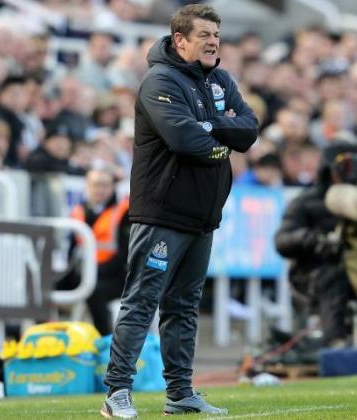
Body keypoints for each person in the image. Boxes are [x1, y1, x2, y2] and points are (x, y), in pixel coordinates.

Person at [101, 4, 258, 418]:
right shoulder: (159, 81)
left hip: (202, 217)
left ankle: (180, 393)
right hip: (162, 213)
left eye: (216, 35)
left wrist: (211, 127)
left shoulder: (221, 80)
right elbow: (185, 140)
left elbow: (249, 130)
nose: (213, 42)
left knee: (184, 308)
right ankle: (116, 392)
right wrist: (220, 136)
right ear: (180, 40)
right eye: (204, 35)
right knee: (142, 301)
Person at [274, 142, 354, 348]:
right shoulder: (306, 201)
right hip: (313, 272)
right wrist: (313, 240)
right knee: (334, 275)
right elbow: (282, 241)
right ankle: (334, 344)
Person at [66, 168, 130, 336]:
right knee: (45, 286)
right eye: (95, 185)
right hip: (82, 274)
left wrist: (90, 273)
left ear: (113, 187)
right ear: (87, 186)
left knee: (95, 291)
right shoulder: (78, 211)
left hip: (115, 277)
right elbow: (71, 252)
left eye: (104, 185)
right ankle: (45, 341)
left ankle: (104, 341)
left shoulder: (124, 212)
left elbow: (124, 256)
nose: (99, 190)